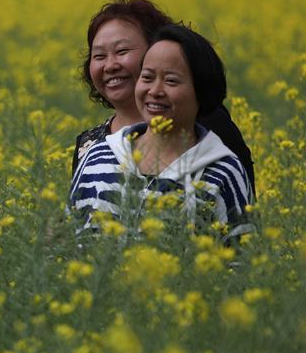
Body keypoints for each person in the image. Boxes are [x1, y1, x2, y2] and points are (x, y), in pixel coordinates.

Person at [68, 24, 254, 242]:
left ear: (201, 91)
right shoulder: (97, 158)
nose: (155, 91)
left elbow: (240, 264)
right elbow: (69, 246)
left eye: (171, 81)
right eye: (146, 78)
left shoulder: (223, 172)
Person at [73, 0, 255, 196]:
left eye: (122, 51)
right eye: (99, 56)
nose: (110, 65)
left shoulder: (205, 123)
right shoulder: (90, 145)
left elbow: (240, 207)